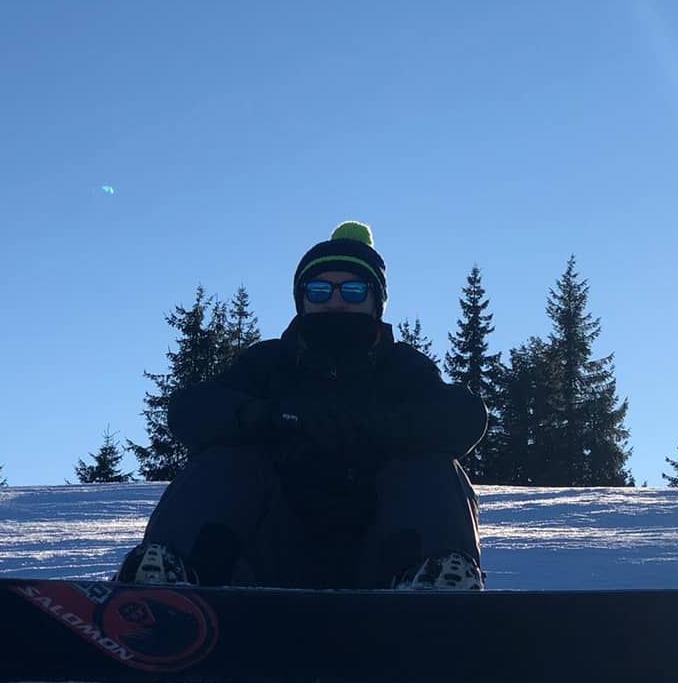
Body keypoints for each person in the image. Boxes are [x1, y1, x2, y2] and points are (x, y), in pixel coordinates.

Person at [117, 221, 486, 590]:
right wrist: (267, 418)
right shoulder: (266, 363)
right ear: (302, 300)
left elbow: (462, 417)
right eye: (320, 291)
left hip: (379, 555)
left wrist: (375, 429)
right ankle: (170, 580)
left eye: (353, 290)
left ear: (376, 301)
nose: (336, 301)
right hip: (269, 552)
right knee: (225, 459)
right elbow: (191, 411)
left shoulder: (403, 367)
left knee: (430, 466)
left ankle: (438, 581)